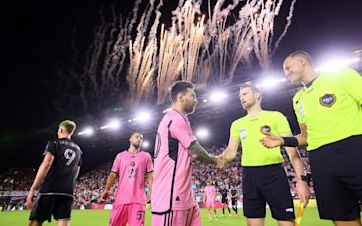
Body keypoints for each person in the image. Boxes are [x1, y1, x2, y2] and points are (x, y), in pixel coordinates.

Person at [260, 51, 362, 225]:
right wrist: (283, 141)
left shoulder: (341, 75)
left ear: (302, 61)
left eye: (287, 67)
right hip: (321, 161)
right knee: (342, 218)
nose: (285, 73)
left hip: (353, 150)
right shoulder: (298, 99)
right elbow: (306, 136)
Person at [220, 83, 310, 226]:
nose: (241, 98)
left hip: (274, 174)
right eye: (239, 96)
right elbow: (231, 151)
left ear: (257, 95)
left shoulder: (276, 117)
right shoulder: (237, 124)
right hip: (249, 176)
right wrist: (221, 158)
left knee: (286, 222)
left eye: (245, 94)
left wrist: (301, 180)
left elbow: (292, 151)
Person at [151, 81, 225, 226]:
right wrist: (217, 161)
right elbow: (195, 152)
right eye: (193, 96)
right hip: (171, 197)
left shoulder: (178, 119)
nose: (196, 100)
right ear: (180, 97)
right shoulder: (175, 119)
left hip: (185, 196)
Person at [26, 120, 82, 226]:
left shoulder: (54, 143)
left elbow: (46, 164)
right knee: (64, 222)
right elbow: (76, 170)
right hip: (67, 192)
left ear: (60, 129)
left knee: (35, 222)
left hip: (49, 189)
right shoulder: (78, 149)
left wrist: (33, 189)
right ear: (72, 132)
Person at [101, 131, 153, 226]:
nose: (139, 139)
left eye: (141, 138)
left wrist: (151, 191)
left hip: (138, 200)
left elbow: (150, 175)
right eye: (137, 137)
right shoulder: (120, 156)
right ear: (130, 139)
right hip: (121, 199)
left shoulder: (146, 156)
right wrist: (106, 190)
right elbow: (113, 175)